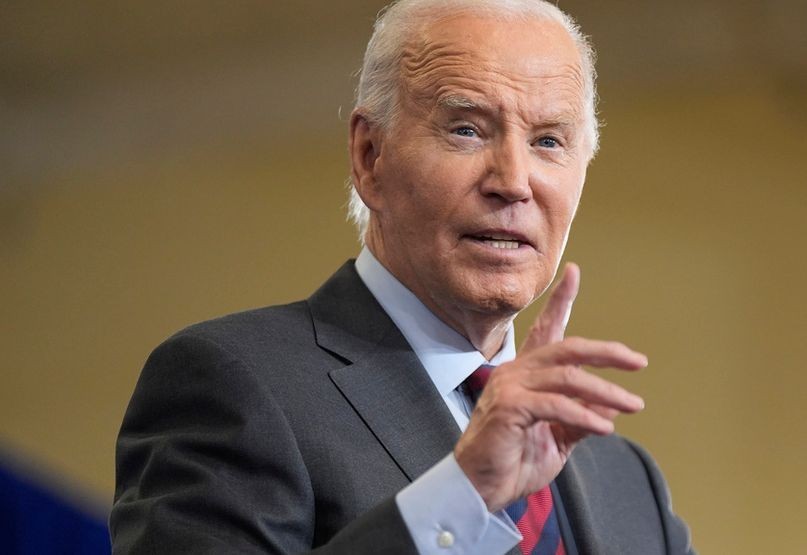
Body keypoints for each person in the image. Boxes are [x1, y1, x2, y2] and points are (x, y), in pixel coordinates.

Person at [110, 0, 694, 553]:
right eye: (467, 129)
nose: (514, 181)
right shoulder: (232, 387)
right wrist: (463, 496)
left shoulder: (628, 481)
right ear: (370, 156)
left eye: (548, 141)